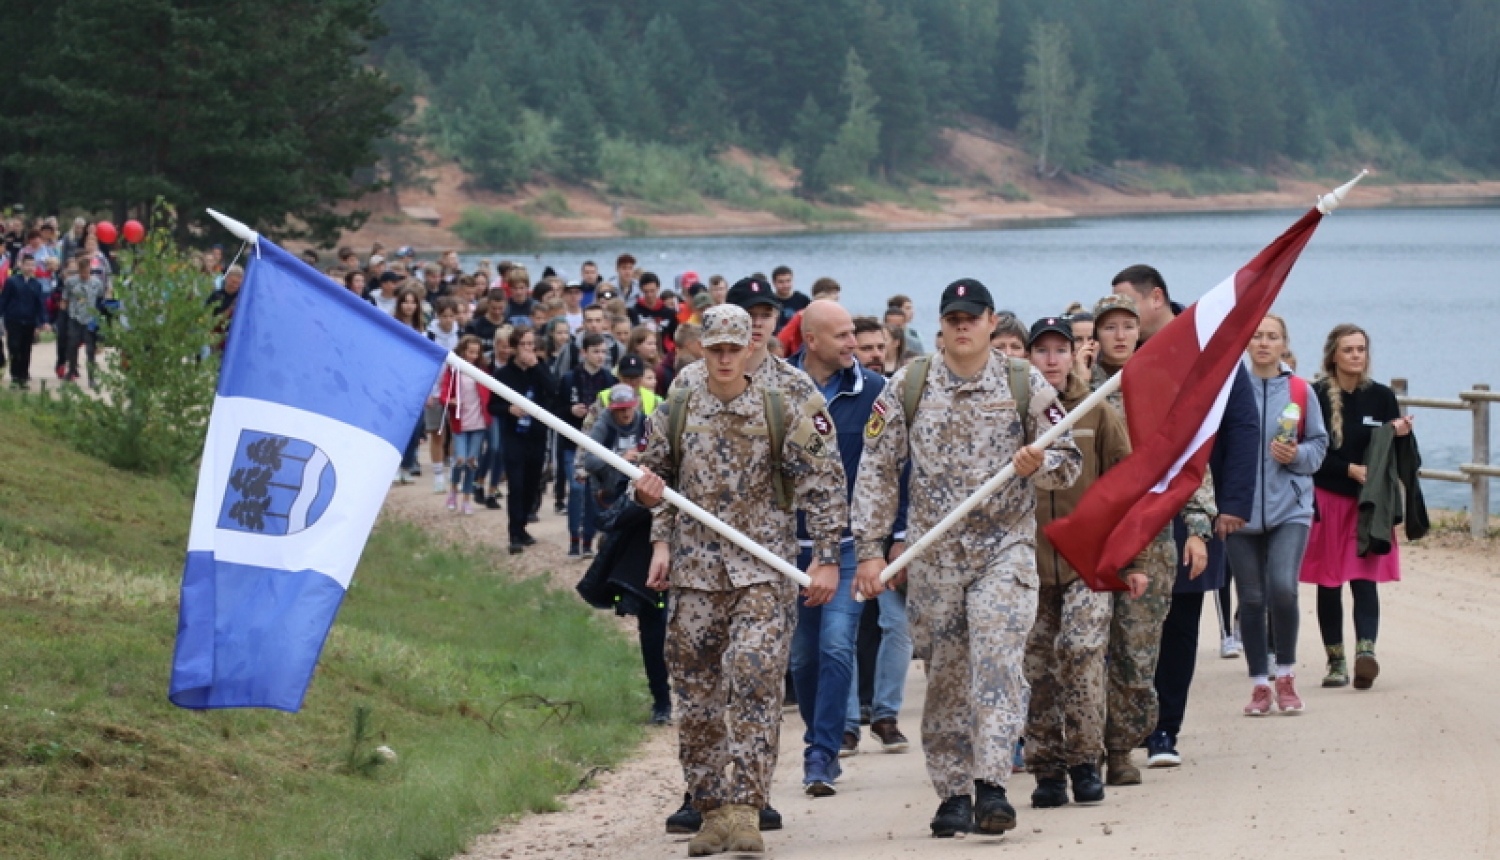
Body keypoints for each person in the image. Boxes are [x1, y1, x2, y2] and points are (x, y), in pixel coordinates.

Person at [852, 278, 1082, 838]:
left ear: (990, 322)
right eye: (953, 317)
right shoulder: (909, 383)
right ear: (941, 325)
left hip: (1004, 549)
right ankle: (952, 793)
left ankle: (993, 784)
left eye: (972, 317)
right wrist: (869, 551)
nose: (962, 326)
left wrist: (1039, 464)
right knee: (948, 674)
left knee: (998, 659)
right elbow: (879, 468)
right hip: (935, 557)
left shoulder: (1024, 383)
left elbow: (1069, 460)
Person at [633, 304, 847, 857]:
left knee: (754, 682)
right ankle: (711, 809)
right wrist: (654, 517)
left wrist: (825, 558)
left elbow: (823, 481)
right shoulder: (680, 400)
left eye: (736, 347)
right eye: (716, 349)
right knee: (697, 695)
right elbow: (656, 473)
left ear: (750, 347)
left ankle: (749, 807)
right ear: (702, 348)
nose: (726, 358)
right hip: (695, 572)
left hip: (762, 570)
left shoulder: (782, 402)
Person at [1110, 265, 1256, 771]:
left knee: (1181, 620)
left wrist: (1232, 504)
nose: (1121, 318)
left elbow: (1241, 422)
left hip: (1193, 501)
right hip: (1126, 510)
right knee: (1124, 625)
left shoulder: (1207, 343)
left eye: (1127, 303)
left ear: (1155, 299)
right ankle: (1123, 725)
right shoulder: (1114, 355)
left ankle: (1165, 728)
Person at [1088, 294, 1215, 786]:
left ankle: (1122, 747)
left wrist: (1198, 528)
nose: (1119, 335)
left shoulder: (1159, 387)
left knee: (1139, 652)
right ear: (1095, 335)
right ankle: (1086, 748)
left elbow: (1188, 462)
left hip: (1152, 538)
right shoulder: (1081, 389)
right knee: (1086, 648)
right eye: (1109, 327)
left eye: (1127, 325)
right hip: (1095, 538)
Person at [1022, 315, 1147, 809]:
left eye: (1059, 350)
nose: (1051, 360)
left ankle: (1083, 758)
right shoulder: (1014, 409)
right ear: (1028, 357)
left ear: (1074, 354)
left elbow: (1127, 491)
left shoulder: (1096, 412)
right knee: (1036, 666)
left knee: (1080, 651)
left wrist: (1131, 560)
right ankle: (1047, 768)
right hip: (1027, 565)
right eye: (1041, 351)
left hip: (1086, 565)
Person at [785, 300, 889, 796]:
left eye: (854, 333)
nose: (854, 343)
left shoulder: (873, 391)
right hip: (788, 548)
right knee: (802, 658)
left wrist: (896, 534)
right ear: (813, 341)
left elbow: (895, 467)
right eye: (843, 335)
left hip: (849, 546)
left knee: (835, 645)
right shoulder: (776, 388)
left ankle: (822, 753)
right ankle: (818, 735)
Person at [1300, 324, 1418, 690]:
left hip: (1369, 504)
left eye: (1361, 349)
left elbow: (1393, 453)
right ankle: (1335, 662)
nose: (1356, 356)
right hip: (1328, 499)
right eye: (1348, 350)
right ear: (1333, 355)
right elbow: (1309, 451)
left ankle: (1366, 653)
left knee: (1366, 581)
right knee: (1329, 583)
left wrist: (1399, 434)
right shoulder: (1315, 394)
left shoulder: (1382, 396)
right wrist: (1346, 468)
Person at [1227, 314, 1329, 714]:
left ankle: (1285, 675)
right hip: (1239, 512)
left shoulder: (1301, 391)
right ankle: (1258, 684)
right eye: (1256, 336)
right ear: (1247, 343)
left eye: (1272, 337)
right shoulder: (1231, 391)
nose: (1264, 343)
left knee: (1283, 589)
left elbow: (1319, 446)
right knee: (1251, 598)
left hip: (1290, 508)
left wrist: (1297, 455)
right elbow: (1214, 448)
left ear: (1284, 344)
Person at [576, 383, 666, 721]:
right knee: (653, 627)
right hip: (641, 557)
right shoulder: (605, 427)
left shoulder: (652, 425)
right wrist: (644, 499)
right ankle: (661, 700)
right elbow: (609, 517)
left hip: (691, 558)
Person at [492, 325, 557, 553]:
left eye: (532, 344)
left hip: (537, 436)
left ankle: (523, 526)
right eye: (524, 345)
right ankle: (514, 533)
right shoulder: (503, 374)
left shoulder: (541, 369)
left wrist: (537, 368)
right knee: (516, 484)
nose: (529, 349)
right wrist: (508, 408)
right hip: (514, 436)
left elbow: (553, 391)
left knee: (532, 484)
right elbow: (493, 405)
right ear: (514, 347)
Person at [558, 333, 617, 556]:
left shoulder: (610, 380)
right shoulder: (569, 378)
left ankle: (588, 541)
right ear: (584, 353)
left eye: (604, 352)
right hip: (571, 441)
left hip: (598, 446)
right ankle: (574, 537)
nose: (601, 356)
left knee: (594, 492)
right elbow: (557, 408)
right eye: (596, 351)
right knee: (575, 488)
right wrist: (570, 410)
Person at [438, 336, 492, 515]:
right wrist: (450, 401)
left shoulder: (482, 371)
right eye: (470, 352)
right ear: (462, 351)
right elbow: (444, 394)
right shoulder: (453, 371)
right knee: (459, 459)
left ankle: (467, 499)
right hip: (460, 423)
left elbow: (490, 394)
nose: (473, 356)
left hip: (478, 423)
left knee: (472, 462)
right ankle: (453, 491)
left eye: (476, 353)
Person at [0, 255, 49, 388]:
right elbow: (4, 300)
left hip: (29, 321)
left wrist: (43, 322)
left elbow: (40, 305)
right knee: (14, 348)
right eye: (27, 265)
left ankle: (23, 376)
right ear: (21, 265)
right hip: (13, 320)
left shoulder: (36, 285)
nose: (29, 268)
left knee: (26, 350)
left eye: (32, 265)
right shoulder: (12, 282)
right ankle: (15, 376)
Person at [61, 255, 104, 387]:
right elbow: (65, 299)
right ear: (79, 270)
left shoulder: (97, 283)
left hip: (90, 319)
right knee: (72, 346)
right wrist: (62, 315)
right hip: (75, 317)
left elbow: (100, 300)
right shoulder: (71, 282)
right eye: (83, 271)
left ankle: (91, 378)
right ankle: (72, 370)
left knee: (90, 350)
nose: (85, 274)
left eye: (88, 271)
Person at [770, 265, 810, 333]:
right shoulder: (770, 300)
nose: (785, 285)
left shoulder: (803, 300)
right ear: (774, 283)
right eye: (781, 282)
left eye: (788, 281)